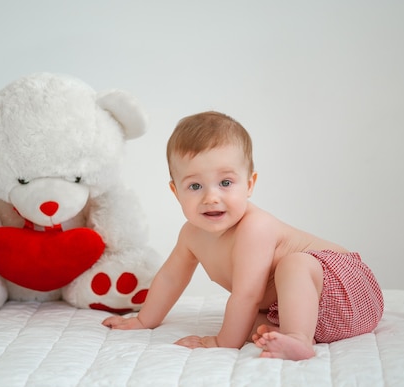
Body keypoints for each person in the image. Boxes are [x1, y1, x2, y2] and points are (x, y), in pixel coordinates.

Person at [102, 111, 383, 360]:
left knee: (292, 265)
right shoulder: (191, 235)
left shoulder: (255, 226)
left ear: (249, 185)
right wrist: (144, 320)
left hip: (346, 294)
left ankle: (300, 339)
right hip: (304, 313)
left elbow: (247, 295)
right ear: (176, 192)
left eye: (226, 183)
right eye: (195, 186)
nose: (212, 197)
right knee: (250, 325)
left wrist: (224, 343)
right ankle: (286, 333)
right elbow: (171, 278)